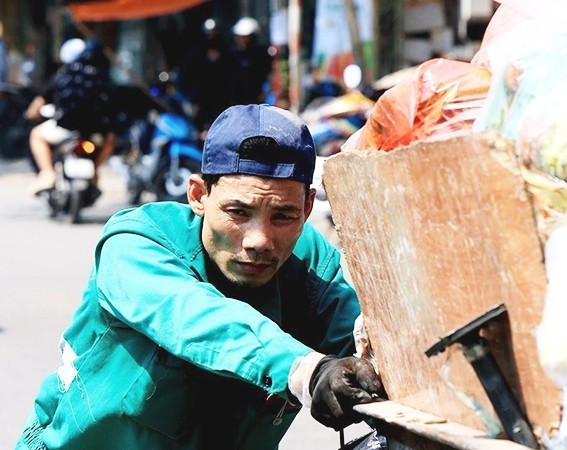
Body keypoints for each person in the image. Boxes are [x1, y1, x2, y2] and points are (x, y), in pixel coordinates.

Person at [17, 104, 384, 449]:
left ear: (307, 208)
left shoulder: (312, 269)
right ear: (198, 195)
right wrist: (305, 369)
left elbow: (371, 347)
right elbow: (189, 314)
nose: (259, 240)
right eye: (238, 212)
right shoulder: (137, 241)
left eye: (283, 216)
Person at [28, 38, 116, 195]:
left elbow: (38, 103)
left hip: (65, 129)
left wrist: (31, 115)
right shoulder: (104, 78)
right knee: (110, 140)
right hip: (95, 134)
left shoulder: (63, 76)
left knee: (36, 135)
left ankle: (48, 173)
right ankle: (95, 171)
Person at [178, 19, 236, 133]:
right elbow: (184, 80)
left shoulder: (229, 55)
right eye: (209, 34)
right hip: (201, 106)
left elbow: (236, 80)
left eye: (214, 34)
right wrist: (192, 100)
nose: (211, 37)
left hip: (224, 104)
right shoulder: (194, 56)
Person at [231, 17, 271, 105]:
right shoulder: (232, 55)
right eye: (241, 37)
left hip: (257, 100)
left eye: (246, 37)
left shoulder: (261, 54)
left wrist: (265, 92)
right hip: (236, 101)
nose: (243, 40)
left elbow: (268, 75)